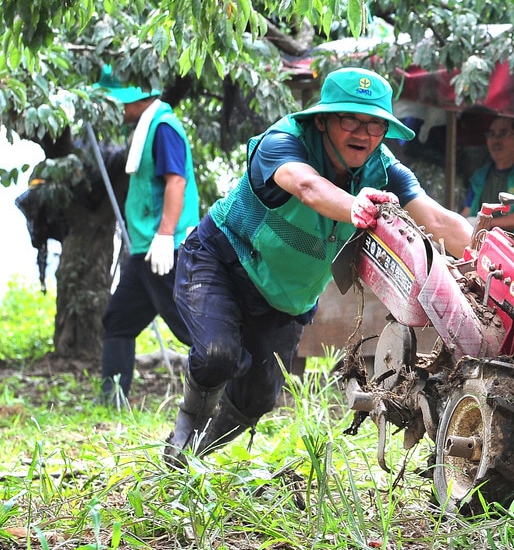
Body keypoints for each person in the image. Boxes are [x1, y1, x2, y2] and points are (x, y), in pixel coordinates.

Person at [166, 67, 472, 461]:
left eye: (375, 124)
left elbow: (438, 220)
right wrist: (354, 205)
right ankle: (180, 441)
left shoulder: (385, 170)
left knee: (258, 398)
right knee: (217, 355)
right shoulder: (282, 143)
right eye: (350, 119)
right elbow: (307, 186)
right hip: (222, 262)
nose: (363, 134)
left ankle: (193, 456)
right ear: (324, 120)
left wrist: (487, 248)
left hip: (285, 299)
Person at [94, 67, 199, 406]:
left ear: (136, 98)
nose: (116, 109)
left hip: (162, 248)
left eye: (117, 101)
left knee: (190, 328)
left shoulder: (164, 126)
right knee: (119, 321)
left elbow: (176, 181)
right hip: (144, 250)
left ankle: (236, 389)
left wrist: (166, 235)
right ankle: (113, 400)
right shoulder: (147, 126)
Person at [461, 115, 514, 230]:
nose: (496, 140)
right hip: (479, 242)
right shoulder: (479, 176)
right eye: (491, 134)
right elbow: (467, 212)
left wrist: (484, 224)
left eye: (503, 133)